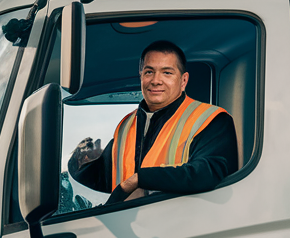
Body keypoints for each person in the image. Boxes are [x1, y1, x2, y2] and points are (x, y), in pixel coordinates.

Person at [69, 40, 238, 202]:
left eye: (167, 73)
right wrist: (79, 164)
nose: (156, 80)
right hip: (126, 225)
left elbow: (208, 173)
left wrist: (140, 180)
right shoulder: (126, 125)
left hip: (186, 228)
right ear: (141, 76)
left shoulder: (210, 119)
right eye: (149, 72)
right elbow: (105, 179)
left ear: (183, 80)